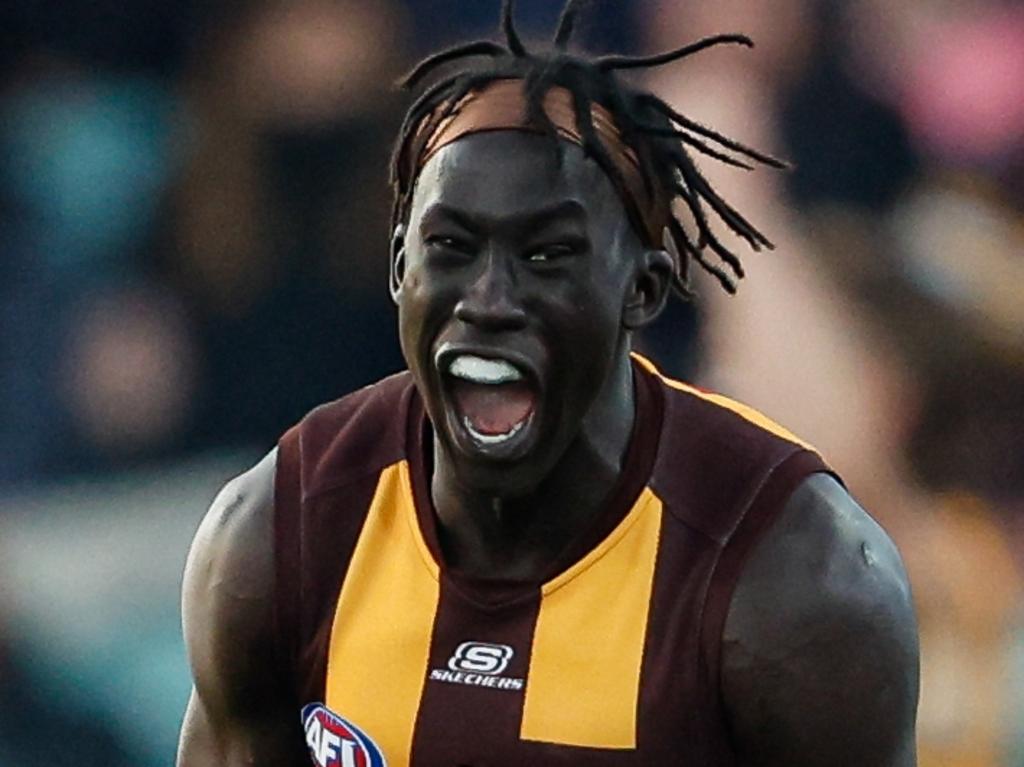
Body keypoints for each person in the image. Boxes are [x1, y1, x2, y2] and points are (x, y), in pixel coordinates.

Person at [177, 2, 919, 765]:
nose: (489, 301)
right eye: (453, 247)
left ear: (644, 289)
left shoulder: (794, 572)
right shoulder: (282, 534)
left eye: (546, 255)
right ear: (400, 267)